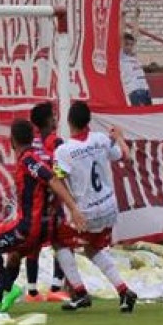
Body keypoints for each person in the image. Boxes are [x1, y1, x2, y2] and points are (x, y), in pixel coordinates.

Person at [0, 118, 86, 313]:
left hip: (28, 226)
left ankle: (7, 286)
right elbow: (58, 176)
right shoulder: (39, 158)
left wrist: (73, 208)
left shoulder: (28, 160)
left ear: (12, 141)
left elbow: (51, 179)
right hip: (44, 228)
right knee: (14, 256)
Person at [51, 100, 139, 313]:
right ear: (88, 121)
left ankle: (80, 293)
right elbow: (128, 158)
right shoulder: (100, 140)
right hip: (109, 207)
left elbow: (55, 180)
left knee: (58, 241)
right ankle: (124, 291)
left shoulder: (64, 151)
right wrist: (119, 137)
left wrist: (72, 208)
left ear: (69, 122)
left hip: (87, 211)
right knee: (93, 248)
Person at [23, 101, 69, 303]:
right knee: (61, 241)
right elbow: (60, 169)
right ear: (50, 120)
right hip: (52, 200)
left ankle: (32, 291)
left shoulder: (30, 144)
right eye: (53, 116)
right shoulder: (56, 142)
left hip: (34, 200)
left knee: (33, 244)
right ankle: (56, 287)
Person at [120, 32, 151, 106]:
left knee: (149, 115)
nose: (129, 47)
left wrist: (135, 20)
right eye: (126, 44)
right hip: (134, 91)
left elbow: (135, 35)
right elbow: (120, 34)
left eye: (131, 45)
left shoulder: (134, 57)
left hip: (145, 90)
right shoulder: (121, 57)